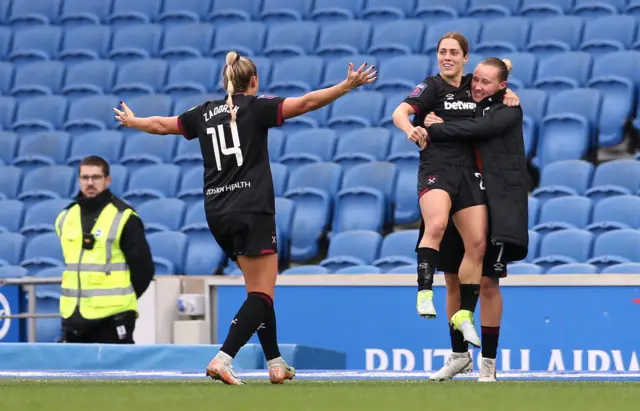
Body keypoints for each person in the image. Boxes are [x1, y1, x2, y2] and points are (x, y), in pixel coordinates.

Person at [113, 51, 377, 385]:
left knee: (257, 288)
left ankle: (275, 362)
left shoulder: (203, 112)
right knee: (263, 293)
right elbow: (307, 103)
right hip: (251, 208)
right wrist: (346, 86)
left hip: (216, 213)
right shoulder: (256, 106)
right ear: (253, 82)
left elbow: (162, 125)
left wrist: (133, 121)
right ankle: (224, 358)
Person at [392, 32, 519, 347]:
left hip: (471, 173)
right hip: (437, 168)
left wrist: (509, 91)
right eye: (441, 52)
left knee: (476, 245)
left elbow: (498, 73)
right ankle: (423, 292)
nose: (446, 57)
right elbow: (399, 112)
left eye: (453, 52)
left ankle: (465, 314)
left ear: (465, 58)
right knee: (436, 225)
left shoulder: (474, 87)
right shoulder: (431, 86)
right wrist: (412, 129)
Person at [421, 57, 530, 382]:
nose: (478, 86)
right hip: (459, 197)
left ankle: (488, 363)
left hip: (492, 205)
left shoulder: (507, 109)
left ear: (502, 86)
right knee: (453, 278)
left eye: (486, 82)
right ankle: (458, 356)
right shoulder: (462, 99)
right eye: (476, 80)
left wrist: (436, 127)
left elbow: (476, 130)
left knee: (488, 283)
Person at [55, 155, 154, 344]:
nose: (90, 183)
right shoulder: (65, 217)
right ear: (78, 180)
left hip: (113, 317)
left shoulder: (124, 217)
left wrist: (121, 300)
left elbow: (144, 269)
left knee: (115, 374)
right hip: (73, 315)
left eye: (96, 177)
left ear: (107, 180)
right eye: (85, 178)